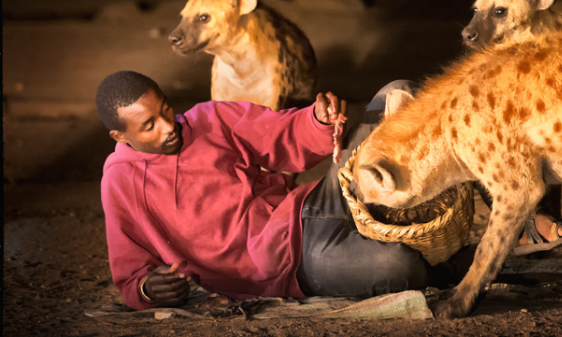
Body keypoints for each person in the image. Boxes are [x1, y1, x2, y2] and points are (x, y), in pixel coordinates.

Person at [97, 71, 469, 310]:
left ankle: (491, 189)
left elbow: (281, 134)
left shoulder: (209, 119)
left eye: (165, 109)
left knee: (399, 94)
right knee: (398, 267)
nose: (168, 126)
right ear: (120, 136)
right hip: (297, 266)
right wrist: (149, 290)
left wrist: (317, 120)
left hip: (311, 204)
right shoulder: (120, 182)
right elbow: (131, 275)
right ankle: (456, 264)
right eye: (149, 125)